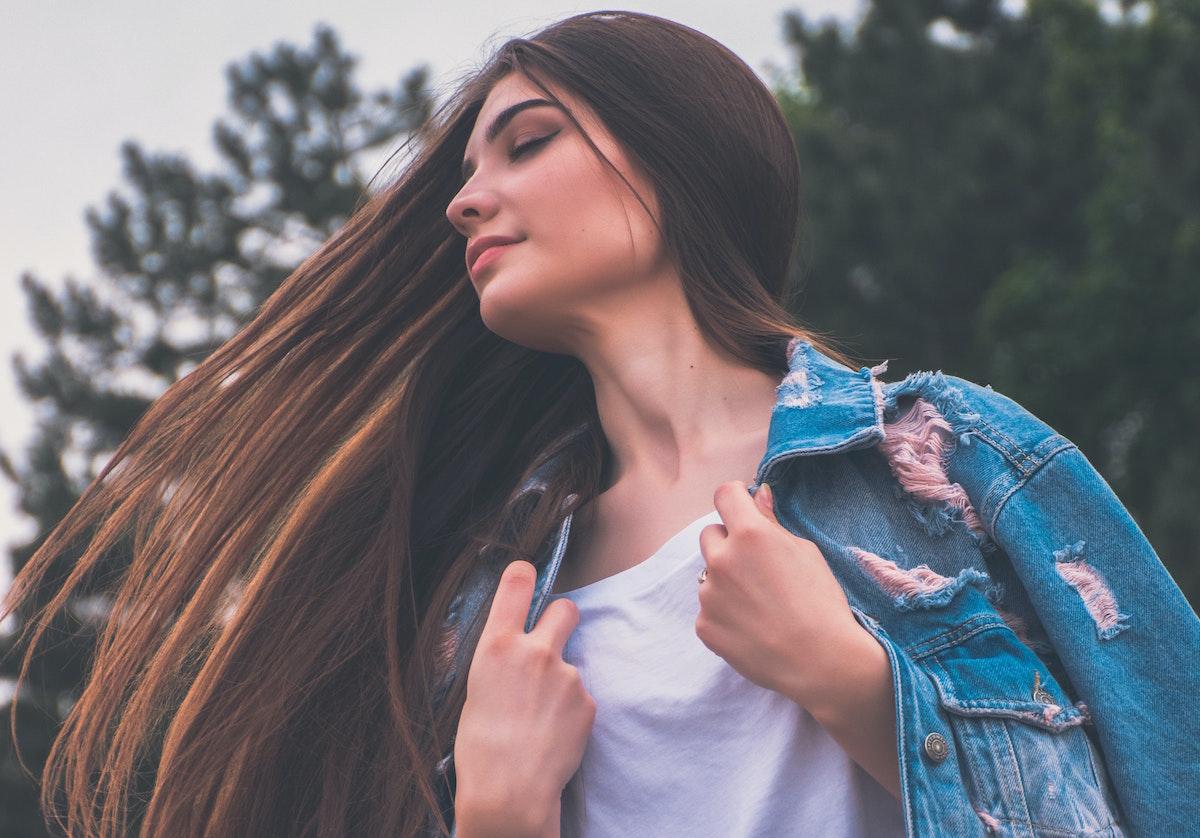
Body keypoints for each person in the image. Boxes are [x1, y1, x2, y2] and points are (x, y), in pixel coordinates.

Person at [4, 10, 1197, 838]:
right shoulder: (481, 603)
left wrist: (849, 682)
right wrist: (499, 818)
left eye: (528, 142)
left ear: (676, 166)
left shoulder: (953, 461)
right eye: (470, 167)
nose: (467, 196)